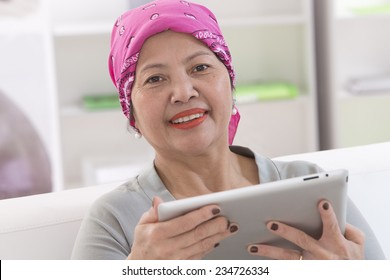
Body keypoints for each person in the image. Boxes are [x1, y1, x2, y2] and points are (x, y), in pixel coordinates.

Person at [71, 0, 384, 260]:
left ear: (230, 84)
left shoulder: (311, 188)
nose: (183, 92)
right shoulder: (114, 220)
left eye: (200, 67)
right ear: (132, 113)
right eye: (154, 79)